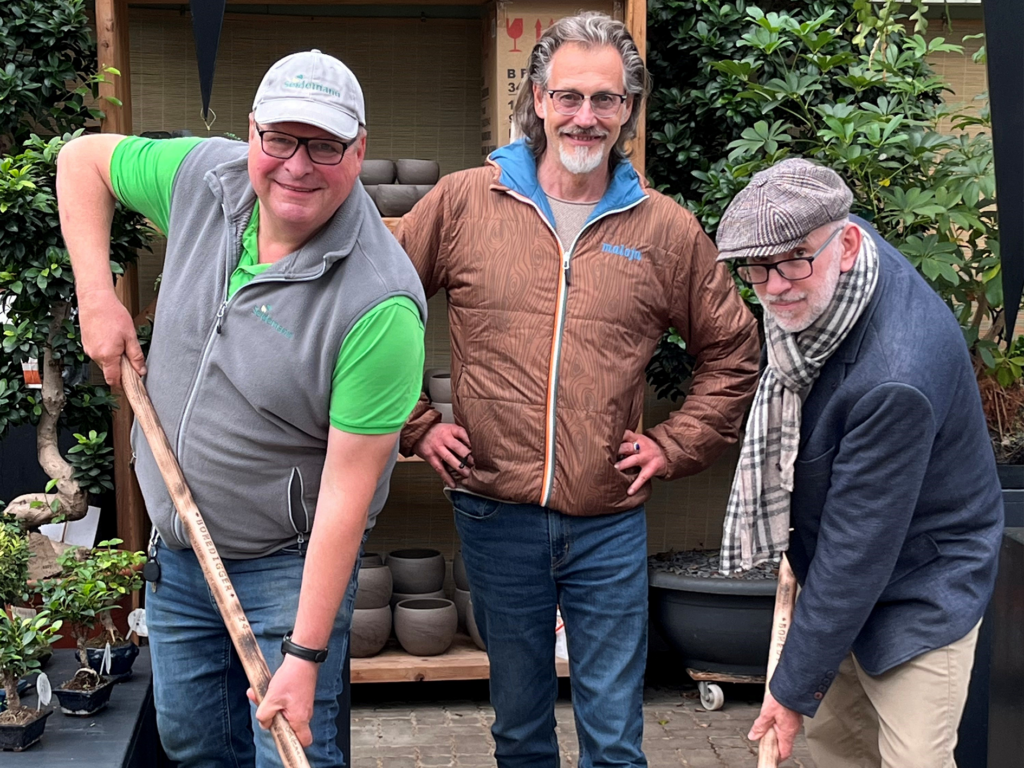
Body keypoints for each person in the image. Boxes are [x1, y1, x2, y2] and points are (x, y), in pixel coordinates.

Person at [395, 12, 760, 767]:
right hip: (495, 514)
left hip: (608, 521)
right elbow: (370, 310)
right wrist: (415, 423)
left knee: (615, 741)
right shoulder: (464, 203)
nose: (584, 117)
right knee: (520, 733)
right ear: (536, 99)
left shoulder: (664, 230)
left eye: (605, 99)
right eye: (568, 97)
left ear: (629, 107)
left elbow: (733, 352)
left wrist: (674, 442)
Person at [56, 50, 427, 767]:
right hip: (180, 555)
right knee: (193, 746)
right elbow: (81, 161)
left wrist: (306, 653)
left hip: (285, 573)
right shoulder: (208, 178)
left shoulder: (379, 305)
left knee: (290, 755)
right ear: (251, 133)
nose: (297, 164)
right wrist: (96, 296)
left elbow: (346, 504)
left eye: (324, 144)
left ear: (360, 151)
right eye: (280, 139)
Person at [715, 158, 1004, 767]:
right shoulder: (834, 255)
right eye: (756, 268)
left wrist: (789, 691)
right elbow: (847, 554)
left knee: (913, 761)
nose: (774, 287)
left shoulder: (896, 378)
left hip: (922, 580)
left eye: (792, 260)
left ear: (845, 245)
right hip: (836, 571)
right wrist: (804, 679)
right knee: (836, 751)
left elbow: (859, 550)